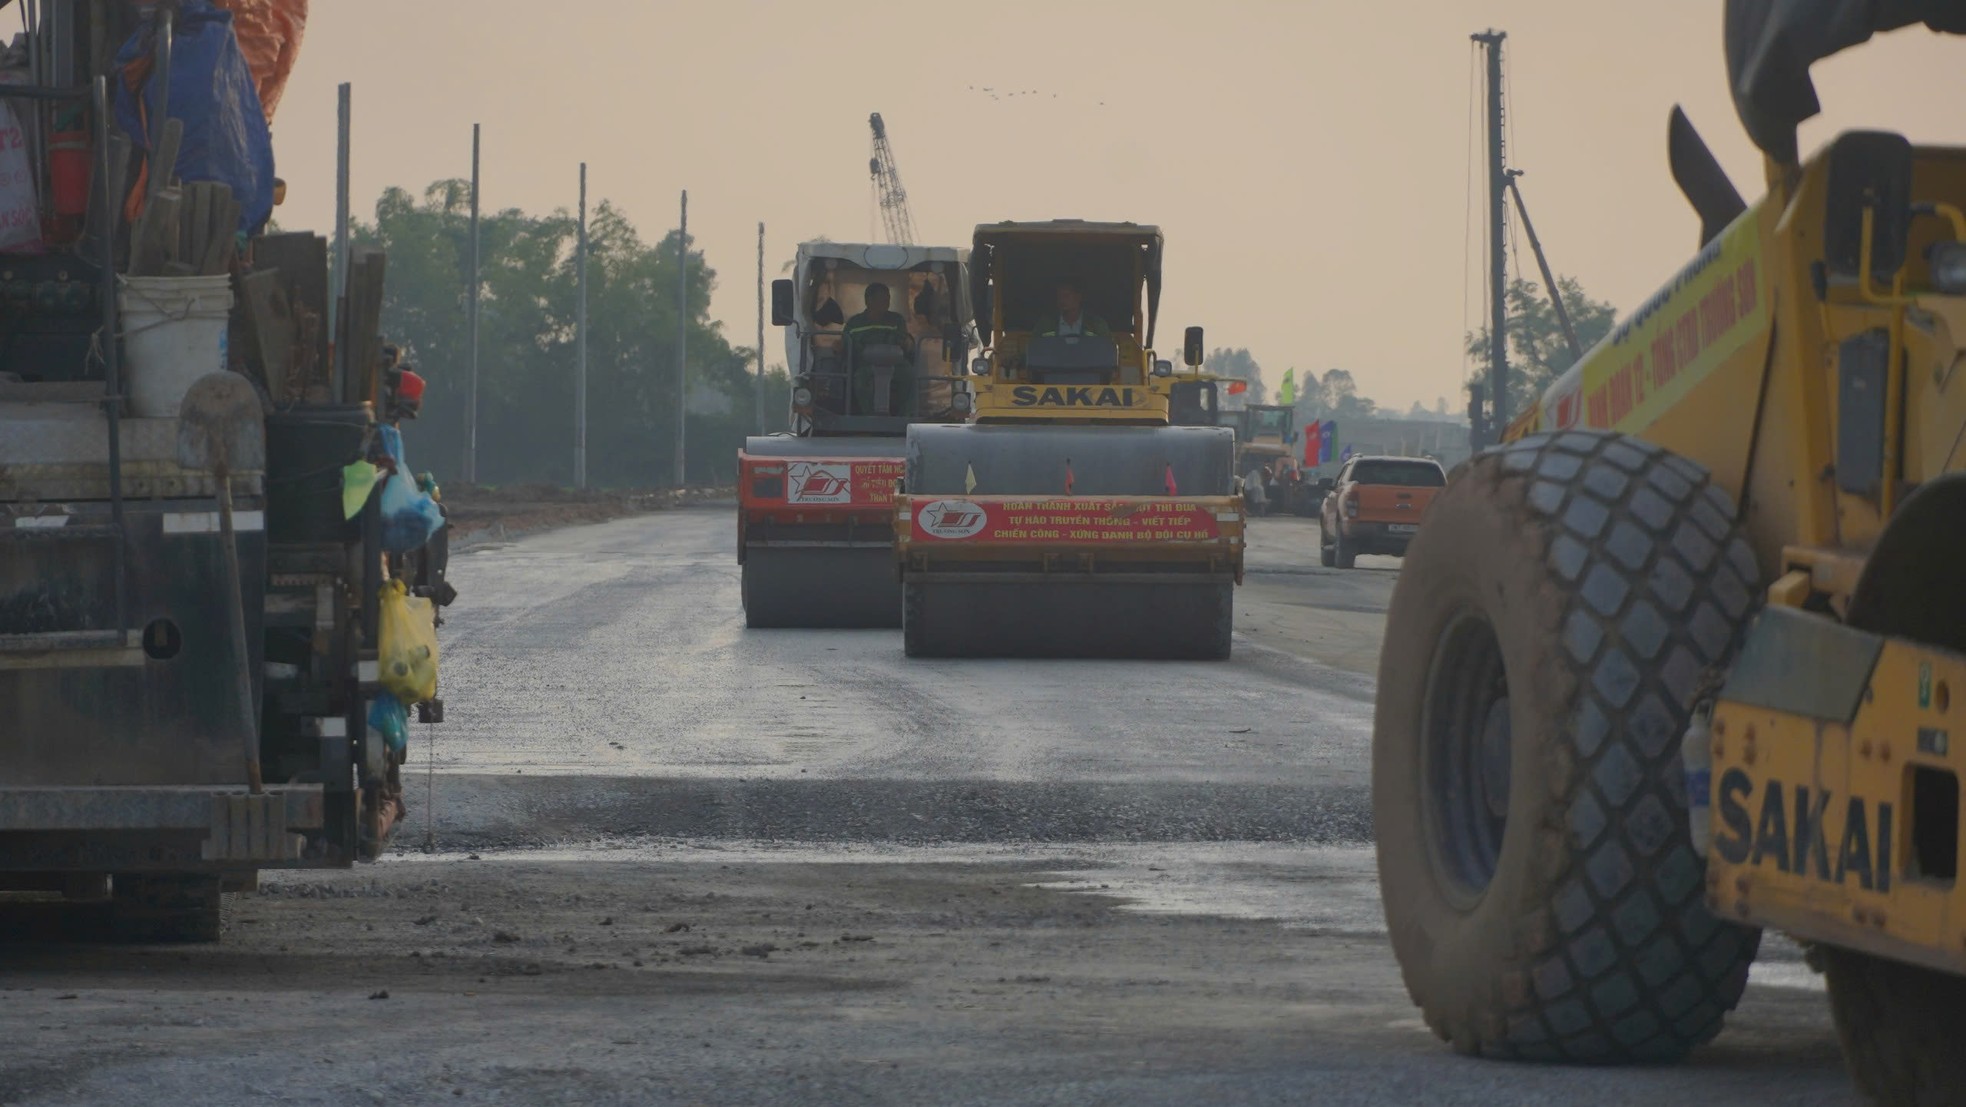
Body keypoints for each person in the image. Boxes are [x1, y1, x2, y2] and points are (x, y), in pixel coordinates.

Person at [843, 283, 914, 414]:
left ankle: (905, 417)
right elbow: (845, 346)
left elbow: (904, 342)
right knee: (859, 381)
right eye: (882, 299)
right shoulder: (854, 323)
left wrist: (907, 343)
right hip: (865, 365)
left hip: (895, 364)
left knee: (910, 375)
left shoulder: (896, 320)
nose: (886, 303)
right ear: (868, 300)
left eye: (888, 299)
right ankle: (868, 418)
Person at [1031, 279, 1111, 337]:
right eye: (1059, 296)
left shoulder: (1096, 325)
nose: (1061, 300)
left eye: (1066, 296)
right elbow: (1033, 350)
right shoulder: (1045, 324)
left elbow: (1107, 352)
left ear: (1078, 297)